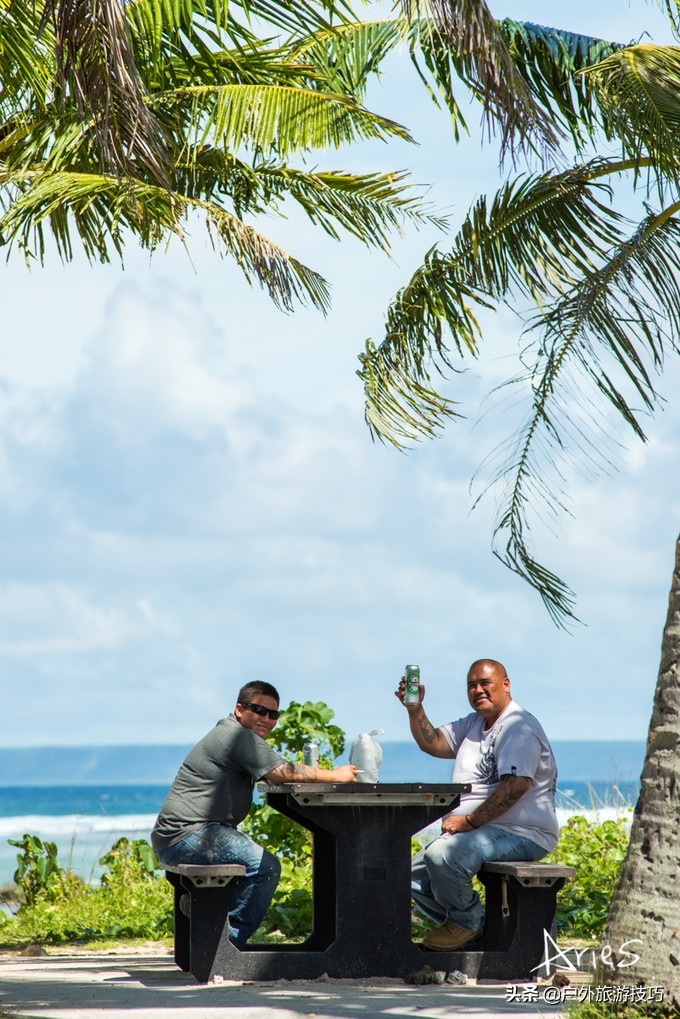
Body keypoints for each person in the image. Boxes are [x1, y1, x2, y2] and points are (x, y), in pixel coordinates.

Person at [151, 680, 356, 947]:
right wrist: (337, 775)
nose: (267, 720)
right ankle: (226, 945)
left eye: (273, 714)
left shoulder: (232, 734)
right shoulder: (237, 736)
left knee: (254, 865)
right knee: (264, 867)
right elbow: (283, 772)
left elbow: (276, 769)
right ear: (239, 709)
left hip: (178, 836)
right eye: (259, 711)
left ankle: (206, 918)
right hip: (190, 835)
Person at [396, 659, 558, 951]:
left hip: (522, 832)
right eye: (472, 685)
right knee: (412, 875)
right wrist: (415, 709)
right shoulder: (474, 724)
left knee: (443, 856)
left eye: (485, 683)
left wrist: (469, 822)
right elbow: (433, 743)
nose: (478, 690)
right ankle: (475, 928)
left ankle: (465, 923)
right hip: (486, 829)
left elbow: (516, 785)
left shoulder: (518, 727)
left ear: (506, 685)